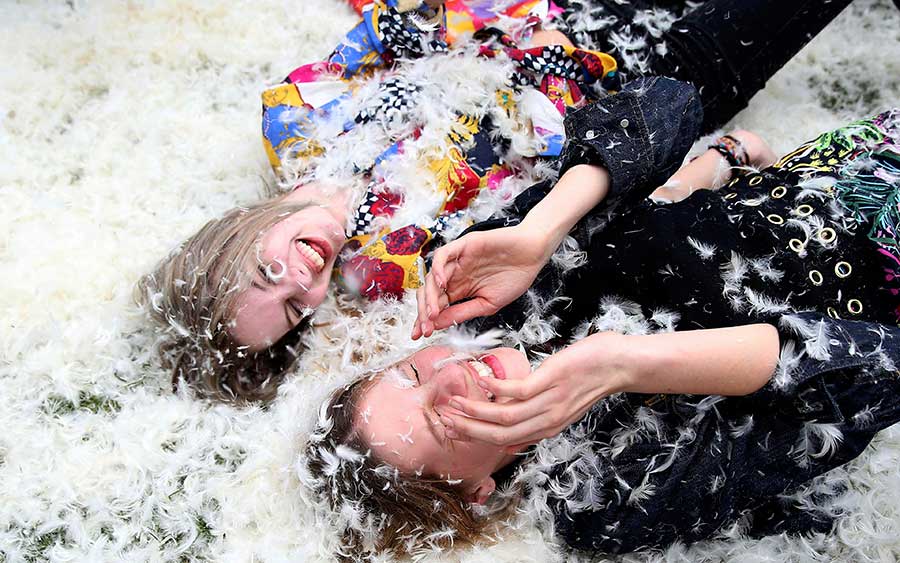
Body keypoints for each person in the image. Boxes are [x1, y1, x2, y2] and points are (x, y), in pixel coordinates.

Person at [137, 0, 854, 402]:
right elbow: (563, 205)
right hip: (648, 88)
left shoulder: (294, 121)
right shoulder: (397, 271)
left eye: (266, 273)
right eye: (297, 307)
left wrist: (526, 37)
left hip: (568, 12)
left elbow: (401, 27)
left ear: (233, 234)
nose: (301, 279)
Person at [303, 100, 900, 559]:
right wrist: (625, 364)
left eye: (412, 373)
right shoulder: (604, 493)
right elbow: (879, 369)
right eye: (441, 419)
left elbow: (667, 102)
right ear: (476, 490)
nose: (450, 377)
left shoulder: (491, 300)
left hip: (846, 161)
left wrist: (540, 229)